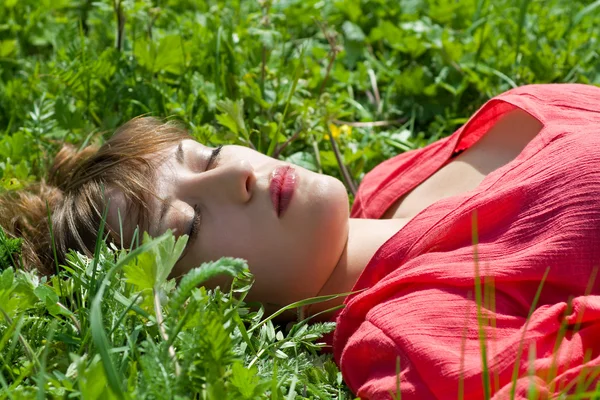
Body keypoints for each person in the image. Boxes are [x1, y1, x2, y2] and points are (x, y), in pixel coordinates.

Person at [2, 83, 600, 399]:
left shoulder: (393, 181)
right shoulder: (409, 342)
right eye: (189, 226)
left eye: (205, 155)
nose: (234, 175)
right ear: (199, 310)